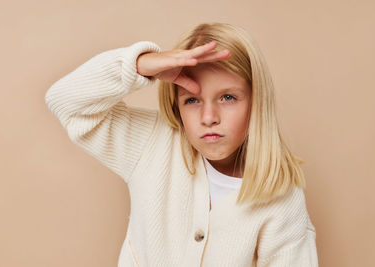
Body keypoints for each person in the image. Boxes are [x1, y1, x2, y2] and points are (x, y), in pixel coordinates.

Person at [45, 22, 318, 266]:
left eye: (227, 98)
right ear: (176, 105)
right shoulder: (153, 142)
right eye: (192, 100)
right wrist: (140, 65)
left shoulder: (282, 198)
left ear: (257, 102)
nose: (209, 117)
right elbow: (66, 102)